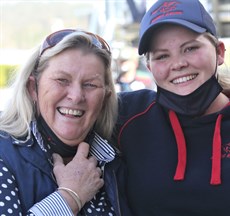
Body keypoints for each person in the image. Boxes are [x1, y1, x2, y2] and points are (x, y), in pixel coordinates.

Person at [114, 0, 230, 215]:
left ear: (219, 52)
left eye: (190, 48)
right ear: (149, 67)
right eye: (162, 56)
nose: (178, 64)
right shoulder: (126, 115)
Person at [0, 29, 129, 215]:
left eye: (90, 84)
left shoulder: (117, 157)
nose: (76, 96)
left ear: (105, 98)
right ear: (32, 88)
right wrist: (71, 196)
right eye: (62, 80)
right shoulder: (4, 154)